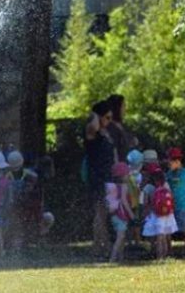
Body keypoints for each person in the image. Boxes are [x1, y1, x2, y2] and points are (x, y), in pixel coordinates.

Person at [85, 100, 117, 256]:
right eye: (107, 117)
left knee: (103, 214)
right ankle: (105, 247)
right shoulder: (93, 134)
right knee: (100, 213)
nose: (109, 121)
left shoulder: (105, 134)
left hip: (108, 178)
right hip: (97, 179)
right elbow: (92, 126)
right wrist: (95, 115)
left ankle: (98, 247)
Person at [141, 164, 177, 259]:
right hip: (168, 214)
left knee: (157, 237)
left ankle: (158, 256)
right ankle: (167, 254)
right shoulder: (166, 185)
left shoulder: (148, 187)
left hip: (156, 214)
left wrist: (145, 213)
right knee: (165, 236)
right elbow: (171, 198)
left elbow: (145, 203)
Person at [105, 162, 135, 263]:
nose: (128, 175)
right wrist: (131, 214)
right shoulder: (124, 186)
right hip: (121, 215)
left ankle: (121, 258)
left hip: (114, 215)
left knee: (121, 237)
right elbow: (124, 201)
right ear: (122, 175)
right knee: (120, 237)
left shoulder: (112, 186)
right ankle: (112, 258)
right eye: (127, 174)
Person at [106, 94, 138, 161]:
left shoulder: (122, 125)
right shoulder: (109, 126)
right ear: (117, 107)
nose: (125, 108)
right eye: (123, 105)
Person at [126, 149, 144, 246]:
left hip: (127, 201)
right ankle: (137, 242)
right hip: (137, 201)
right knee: (137, 223)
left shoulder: (126, 173)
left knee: (128, 222)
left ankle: (129, 242)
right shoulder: (139, 175)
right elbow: (139, 188)